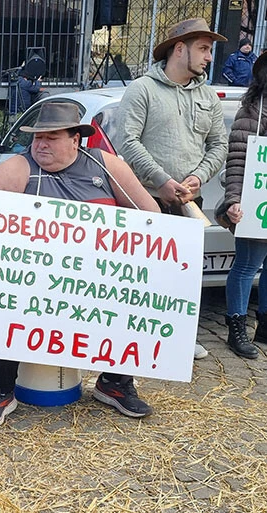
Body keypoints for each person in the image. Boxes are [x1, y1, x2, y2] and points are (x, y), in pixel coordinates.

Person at [0, 101, 161, 428]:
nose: (41, 144)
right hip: (31, 280)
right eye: (37, 138)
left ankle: (115, 382)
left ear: (76, 139)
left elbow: (151, 216)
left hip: (97, 279)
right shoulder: (18, 170)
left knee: (134, 295)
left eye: (52, 137)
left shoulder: (106, 166)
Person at [116, 17, 228, 361]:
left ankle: (178, 339)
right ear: (180, 49)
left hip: (190, 203)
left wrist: (198, 177)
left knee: (185, 275)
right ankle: (132, 341)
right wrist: (162, 180)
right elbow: (127, 141)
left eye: (210, 50)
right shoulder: (142, 90)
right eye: (204, 49)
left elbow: (218, 144)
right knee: (141, 276)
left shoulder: (208, 96)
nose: (209, 57)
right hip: (146, 200)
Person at [216, 52, 267, 359]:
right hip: (255, 204)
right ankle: (237, 328)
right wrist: (234, 200)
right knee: (248, 265)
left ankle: (265, 325)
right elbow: (237, 160)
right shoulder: (250, 111)